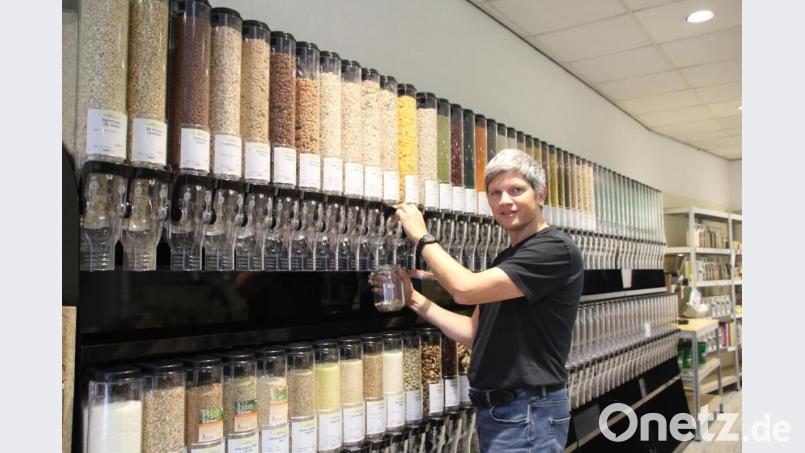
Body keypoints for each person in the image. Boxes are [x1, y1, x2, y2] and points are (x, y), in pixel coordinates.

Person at [383, 149, 583, 452]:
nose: (505, 201)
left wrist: (422, 237)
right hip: (502, 411)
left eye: (516, 190)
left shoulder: (554, 249)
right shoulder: (508, 257)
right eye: (495, 193)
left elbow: (464, 289)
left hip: (526, 410)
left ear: (540, 195)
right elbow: (474, 333)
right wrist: (413, 299)